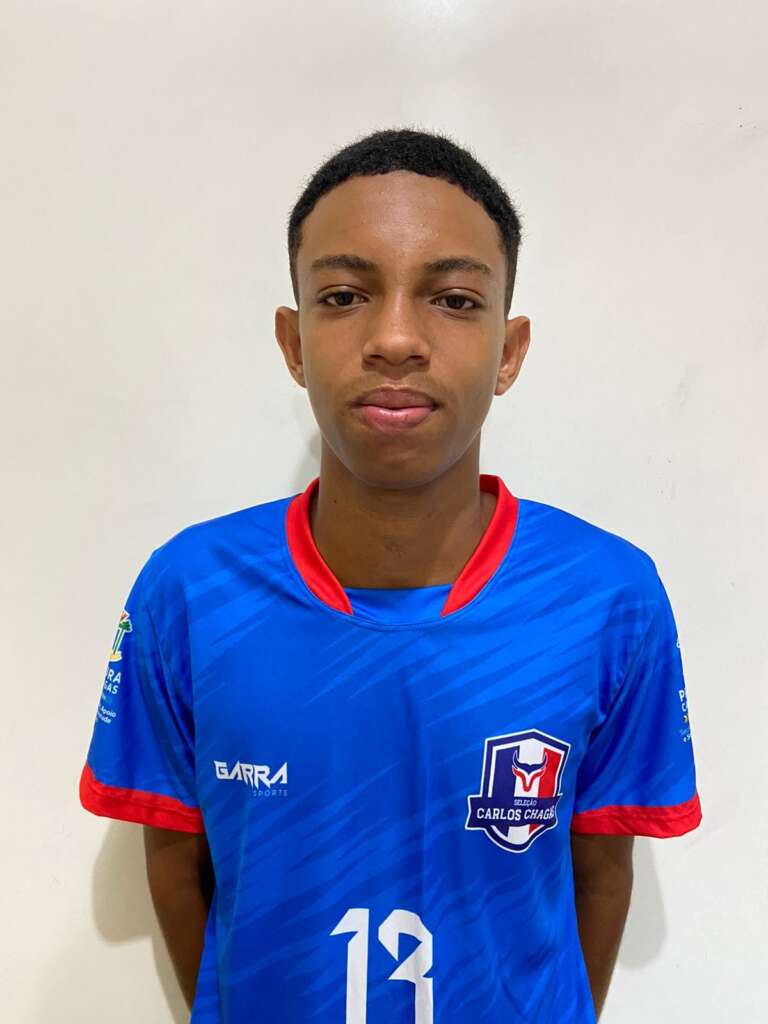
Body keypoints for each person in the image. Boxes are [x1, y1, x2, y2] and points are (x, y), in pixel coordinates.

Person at [79, 127, 701, 1023]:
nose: (397, 338)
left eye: (453, 299)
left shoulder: (607, 599)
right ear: (294, 342)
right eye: (343, 296)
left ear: (509, 350)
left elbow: (601, 870)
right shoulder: (191, 591)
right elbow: (175, 860)